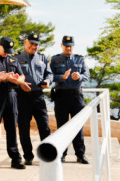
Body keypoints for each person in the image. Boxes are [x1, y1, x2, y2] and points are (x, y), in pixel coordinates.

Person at [0, 37, 26, 170]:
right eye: (5, 50)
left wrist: (18, 80)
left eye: (10, 50)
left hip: (12, 95)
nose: (7, 53)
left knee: (12, 127)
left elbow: (21, 76)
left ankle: (15, 158)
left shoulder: (13, 59)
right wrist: (3, 78)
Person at [50, 35, 90, 164]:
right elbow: (50, 76)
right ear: (62, 46)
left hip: (76, 96)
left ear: (73, 46)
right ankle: (61, 153)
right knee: (61, 126)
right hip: (61, 96)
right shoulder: (55, 59)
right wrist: (62, 76)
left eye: (70, 45)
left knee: (78, 125)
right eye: (66, 46)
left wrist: (79, 76)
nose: (68, 48)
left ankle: (80, 154)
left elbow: (87, 75)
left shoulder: (80, 59)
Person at [15, 33, 53, 165]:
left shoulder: (42, 57)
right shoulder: (17, 58)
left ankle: (47, 155)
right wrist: (20, 83)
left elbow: (49, 73)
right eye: (31, 43)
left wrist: (48, 80)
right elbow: (12, 76)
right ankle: (28, 156)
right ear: (25, 42)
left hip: (38, 97)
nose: (34, 46)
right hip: (22, 97)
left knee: (44, 126)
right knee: (24, 128)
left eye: (36, 44)